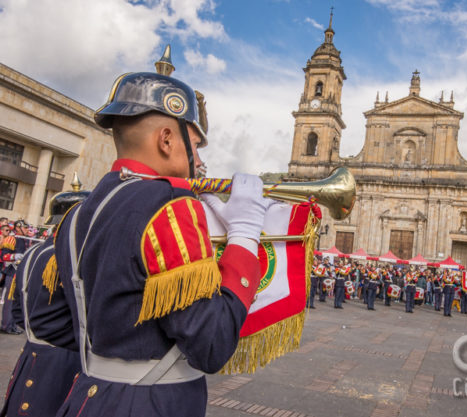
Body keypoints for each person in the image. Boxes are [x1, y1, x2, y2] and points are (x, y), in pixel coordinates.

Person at [53, 69, 271, 417]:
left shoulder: (77, 214)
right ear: (167, 140)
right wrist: (244, 238)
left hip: (86, 398)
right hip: (147, 406)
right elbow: (210, 344)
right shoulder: (170, 205)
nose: (199, 161)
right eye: (196, 146)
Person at [1, 184, 89, 417]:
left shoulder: (31, 254)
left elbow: (18, 312)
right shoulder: (71, 257)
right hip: (63, 364)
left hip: (30, 353)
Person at [1, 219, 31, 334]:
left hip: (20, 273)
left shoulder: (25, 240)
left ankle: (12, 325)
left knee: (16, 302)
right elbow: (4, 256)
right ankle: (6, 325)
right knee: (9, 301)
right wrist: (14, 257)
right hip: (12, 272)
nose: (27, 230)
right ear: (18, 228)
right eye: (25, 227)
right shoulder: (11, 239)